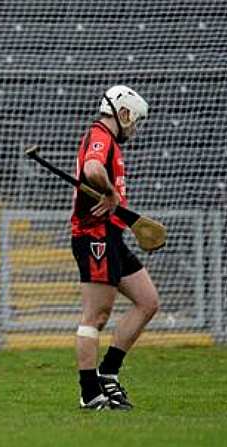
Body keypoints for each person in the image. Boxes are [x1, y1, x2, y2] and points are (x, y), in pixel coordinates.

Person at [71, 85, 159, 410]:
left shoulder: (108, 142)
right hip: (94, 235)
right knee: (96, 315)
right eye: (134, 120)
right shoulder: (101, 137)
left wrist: (113, 199)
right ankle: (89, 393)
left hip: (112, 235)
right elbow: (92, 170)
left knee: (148, 302)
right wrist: (110, 192)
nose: (134, 128)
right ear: (122, 114)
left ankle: (109, 374)